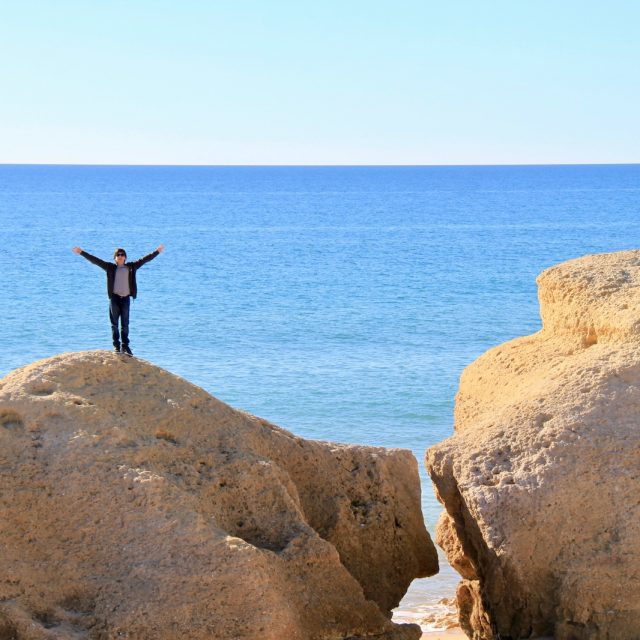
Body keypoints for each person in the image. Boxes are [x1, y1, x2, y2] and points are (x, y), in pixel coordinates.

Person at [72, 244, 165, 355]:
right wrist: (82, 252)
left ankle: (125, 346)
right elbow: (95, 260)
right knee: (114, 324)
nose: (120, 256)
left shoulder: (131, 267)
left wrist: (157, 251)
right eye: (118, 255)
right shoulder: (110, 267)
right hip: (114, 299)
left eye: (122, 254)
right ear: (115, 258)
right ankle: (116, 346)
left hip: (126, 299)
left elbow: (145, 259)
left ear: (125, 257)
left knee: (125, 324)